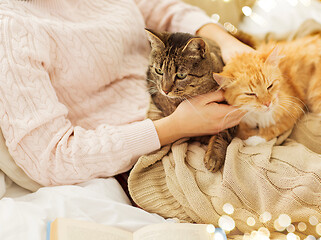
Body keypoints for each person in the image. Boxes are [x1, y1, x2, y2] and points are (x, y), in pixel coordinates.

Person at [0, 0, 254, 186]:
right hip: (145, 151)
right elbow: (51, 158)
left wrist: (227, 41)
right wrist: (177, 126)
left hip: (196, 96)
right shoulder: (10, 28)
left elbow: (162, 10)